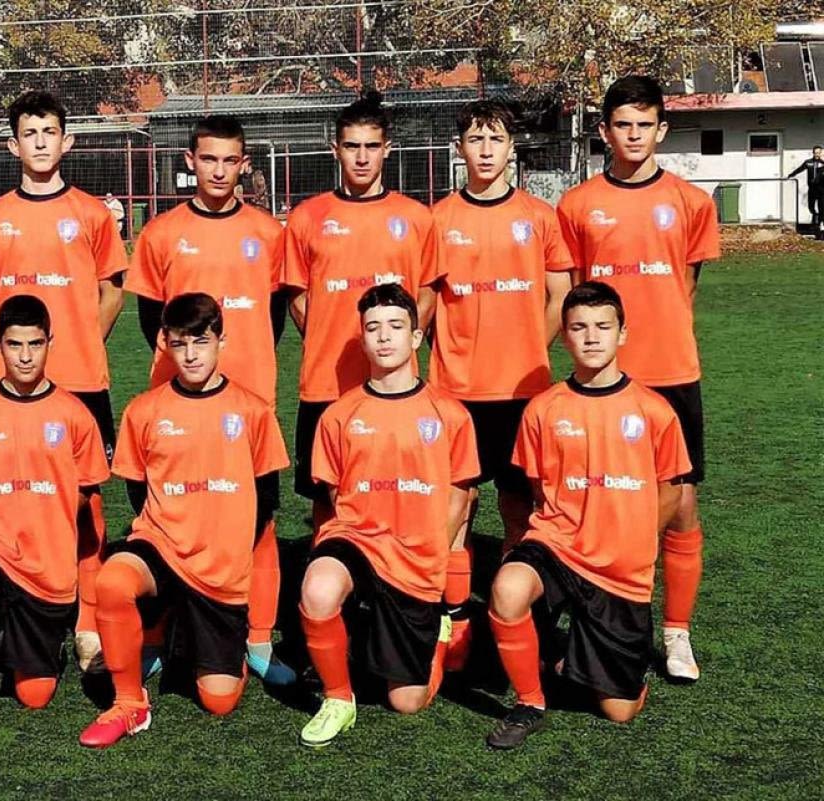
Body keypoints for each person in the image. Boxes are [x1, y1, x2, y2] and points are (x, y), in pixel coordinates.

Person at [557, 75, 720, 683]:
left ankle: (676, 633)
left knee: (680, 504)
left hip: (672, 370)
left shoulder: (692, 202)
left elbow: (686, 286)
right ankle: (595, 611)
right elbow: (578, 293)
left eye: (644, 125)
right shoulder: (576, 205)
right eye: (623, 125)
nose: (633, 135)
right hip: (603, 377)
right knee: (595, 494)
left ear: (662, 130)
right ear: (605, 131)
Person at [486, 281, 692, 750]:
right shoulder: (543, 409)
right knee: (508, 587)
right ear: (564, 336)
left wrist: (638, 538)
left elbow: (671, 490)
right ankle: (530, 701)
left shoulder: (654, 411)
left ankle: (585, 658)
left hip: (621, 566)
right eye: (579, 327)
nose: (592, 337)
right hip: (557, 546)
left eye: (603, 326)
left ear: (623, 334)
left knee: (620, 711)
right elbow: (537, 489)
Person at [79, 293, 289, 749]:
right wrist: (175, 529)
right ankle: (129, 704)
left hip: (220, 573)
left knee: (219, 701)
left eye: (201, 341)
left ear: (221, 341)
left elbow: (266, 499)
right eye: (180, 344)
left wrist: (222, 543)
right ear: (165, 344)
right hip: (162, 548)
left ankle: (195, 635)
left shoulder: (252, 411)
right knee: (113, 582)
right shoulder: (144, 411)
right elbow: (137, 492)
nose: (191, 354)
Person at [125, 114, 293, 685]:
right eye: (208, 159)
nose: (219, 171)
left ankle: (259, 638)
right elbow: (152, 318)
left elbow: (273, 318)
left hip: (247, 404)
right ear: (190, 162)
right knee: (164, 519)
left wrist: (244, 371)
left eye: (230, 160)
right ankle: (157, 633)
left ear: (244, 165)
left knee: (259, 518)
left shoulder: (268, 233)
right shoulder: (161, 232)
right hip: (175, 406)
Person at [0, 90, 129, 673]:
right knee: (14, 499)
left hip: (79, 383)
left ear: (68, 141)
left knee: (87, 504)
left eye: (49, 132)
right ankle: (20, 615)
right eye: (29, 134)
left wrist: (80, 341)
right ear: (13, 146)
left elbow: (113, 291)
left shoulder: (91, 214)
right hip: (10, 389)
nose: (40, 143)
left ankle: (87, 622)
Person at [428, 98, 575, 670]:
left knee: (520, 509)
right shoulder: (439, 219)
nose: (485, 150)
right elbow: (426, 300)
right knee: (456, 509)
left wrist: (532, 346)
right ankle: (455, 621)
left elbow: (560, 295)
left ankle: (519, 618)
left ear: (512, 148)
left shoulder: (539, 216)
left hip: (522, 392)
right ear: (460, 148)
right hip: (456, 391)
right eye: (475, 140)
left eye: (495, 140)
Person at [298, 284, 477, 747]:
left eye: (396, 326)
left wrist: (434, 554)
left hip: (416, 557)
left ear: (416, 337)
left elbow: (460, 495)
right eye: (373, 327)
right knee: (318, 589)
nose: (384, 336)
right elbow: (336, 497)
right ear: (362, 339)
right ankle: (338, 699)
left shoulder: (449, 414)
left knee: (407, 701)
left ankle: (437, 631)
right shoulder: (339, 415)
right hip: (358, 541)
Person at [0, 295, 110, 746]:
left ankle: (9, 639)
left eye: (35, 344)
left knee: (35, 695)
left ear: (50, 342)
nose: (26, 356)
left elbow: (89, 507)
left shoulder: (74, 415)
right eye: (15, 345)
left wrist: (87, 609)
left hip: (46, 569)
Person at [285, 90, 441, 530]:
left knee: (397, 490)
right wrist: (325, 336)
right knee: (327, 499)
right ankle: (327, 571)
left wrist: (400, 349)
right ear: (335, 149)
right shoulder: (307, 217)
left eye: (371, 146)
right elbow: (297, 295)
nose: (361, 157)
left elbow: (426, 290)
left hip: (396, 386)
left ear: (387, 149)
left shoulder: (416, 217)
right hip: (326, 384)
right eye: (351, 146)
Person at [787, 145, 824, 233]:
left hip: (821, 189)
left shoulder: (823, 163)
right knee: (811, 207)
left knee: (822, 207)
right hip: (812, 189)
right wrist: (791, 175)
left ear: (821, 153)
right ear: (813, 153)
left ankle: (820, 223)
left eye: (819, 153)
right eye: (816, 153)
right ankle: (815, 216)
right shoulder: (808, 162)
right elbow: (800, 169)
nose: (817, 154)